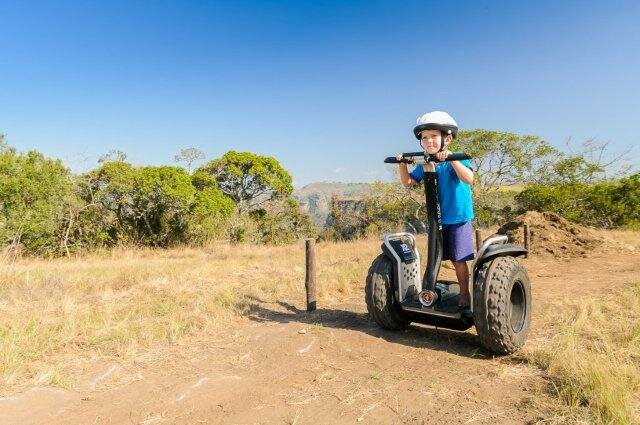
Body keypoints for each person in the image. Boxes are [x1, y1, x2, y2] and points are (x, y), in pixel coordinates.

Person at [396, 111, 475, 309]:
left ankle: (465, 294)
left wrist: (451, 159)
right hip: (436, 219)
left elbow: (469, 178)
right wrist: (402, 165)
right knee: (434, 256)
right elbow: (408, 182)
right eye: (424, 138)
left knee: (458, 259)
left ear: (447, 138)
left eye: (433, 136)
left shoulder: (456, 159)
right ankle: (428, 291)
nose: (429, 141)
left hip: (458, 218)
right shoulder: (425, 163)